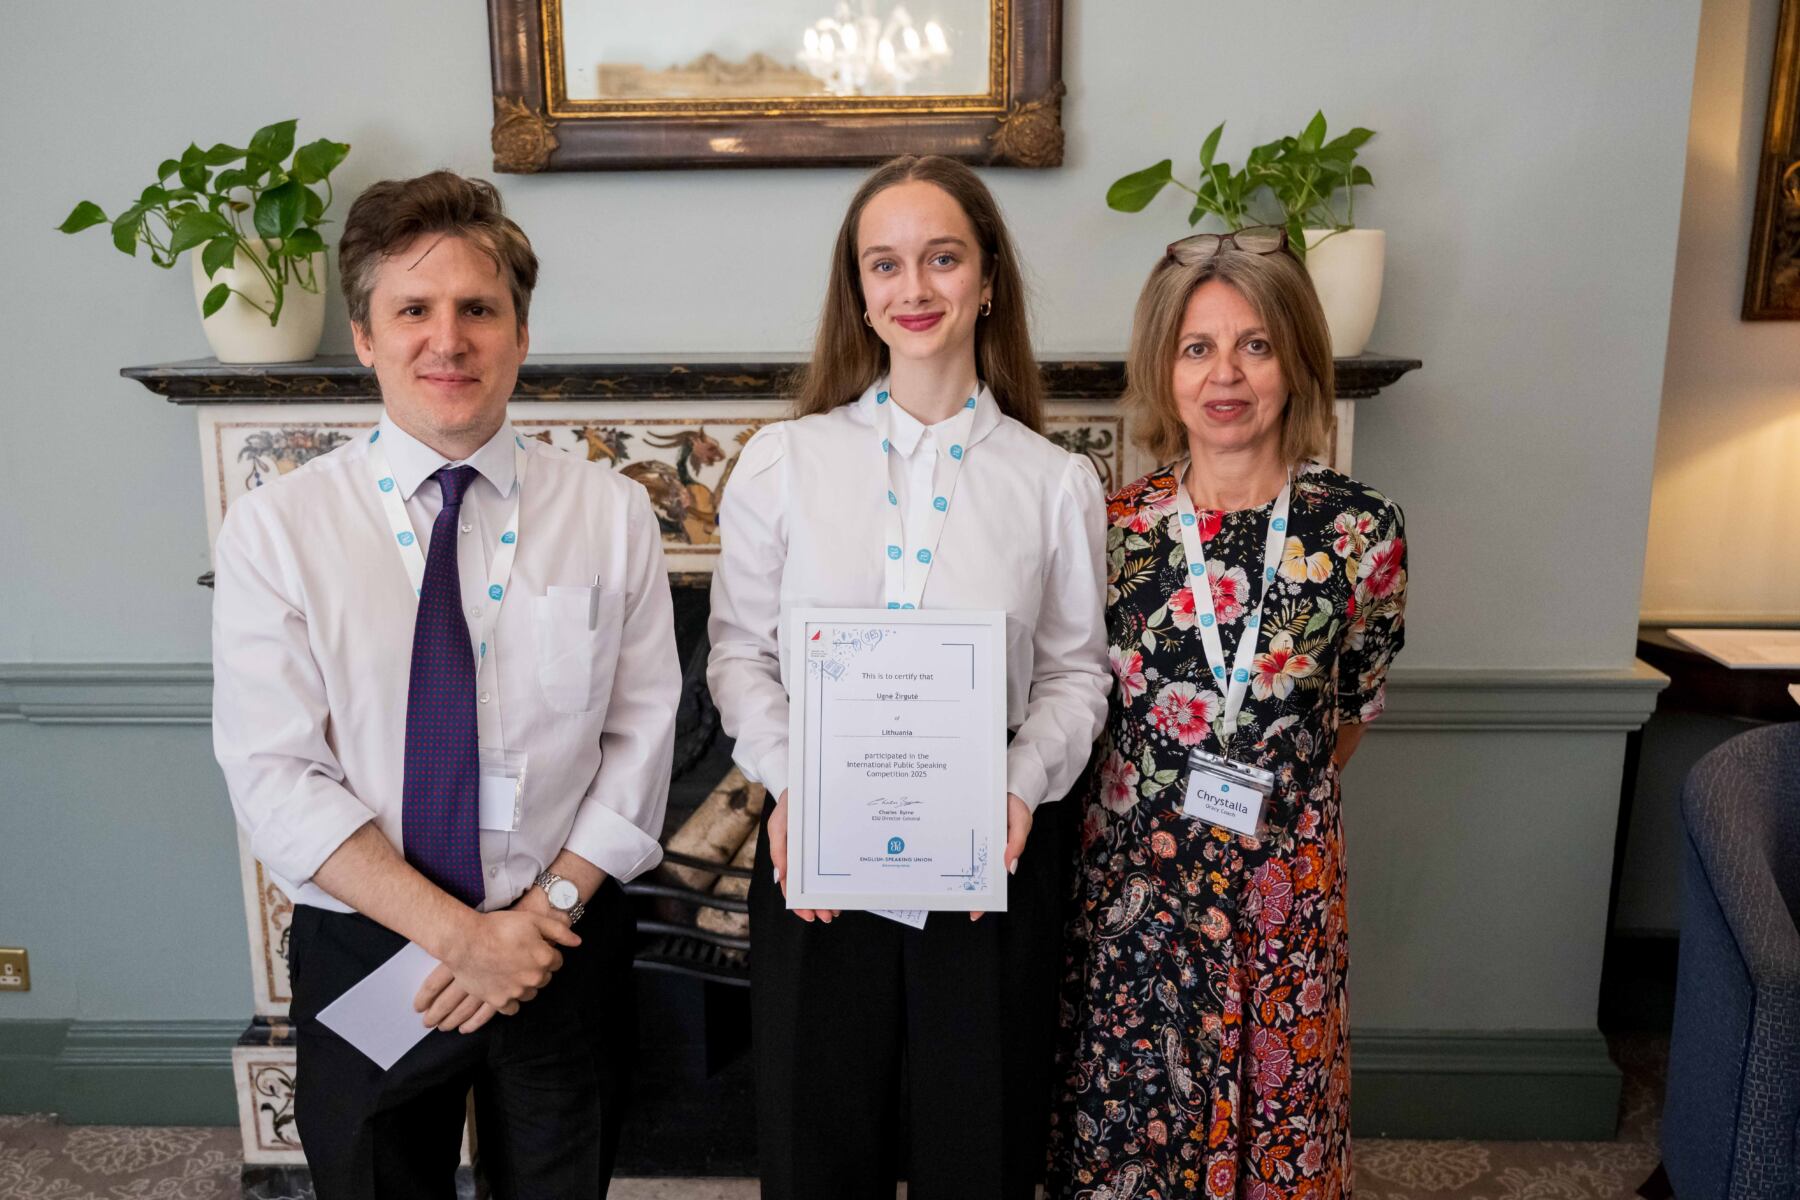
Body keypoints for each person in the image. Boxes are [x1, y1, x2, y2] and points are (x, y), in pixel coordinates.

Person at [212, 170, 679, 1199]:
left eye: (479, 309)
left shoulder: (613, 514)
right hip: (373, 939)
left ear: (520, 332)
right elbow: (274, 774)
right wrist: (466, 941)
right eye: (412, 310)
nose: (448, 340)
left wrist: (539, 917)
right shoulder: (278, 531)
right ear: (366, 336)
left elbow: (644, 740)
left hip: (561, 935)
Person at [706, 154, 1110, 1199]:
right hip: (816, 867)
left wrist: (1021, 786)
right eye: (884, 264)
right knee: (814, 1157)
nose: (914, 288)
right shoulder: (783, 462)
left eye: (942, 258)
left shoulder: (1055, 484)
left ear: (988, 280)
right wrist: (795, 782)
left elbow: (1076, 677)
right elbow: (739, 655)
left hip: (990, 872)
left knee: (979, 1155)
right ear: (859, 291)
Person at [1048, 227, 1408, 1199]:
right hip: (1139, 894)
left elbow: (1354, 706)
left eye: (1254, 344)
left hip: (1285, 886)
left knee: (1278, 1130)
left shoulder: (1359, 531)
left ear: (1296, 357)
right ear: (1164, 368)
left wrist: (1271, 799)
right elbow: (1078, 698)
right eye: (1197, 348)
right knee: (1135, 1131)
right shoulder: (1115, 530)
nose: (1227, 375)